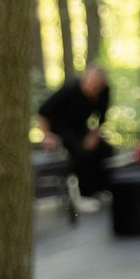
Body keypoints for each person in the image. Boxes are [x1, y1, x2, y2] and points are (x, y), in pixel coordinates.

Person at [37, 65, 113, 205]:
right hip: (60, 126)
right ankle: (84, 195)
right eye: (89, 84)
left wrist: (94, 136)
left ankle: (101, 189)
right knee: (81, 152)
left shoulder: (105, 92)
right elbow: (43, 112)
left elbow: (101, 118)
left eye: (95, 87)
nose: (91, 89)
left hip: (80, 125)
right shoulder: (69, 89)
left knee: (105, 149)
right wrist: (46, 135)